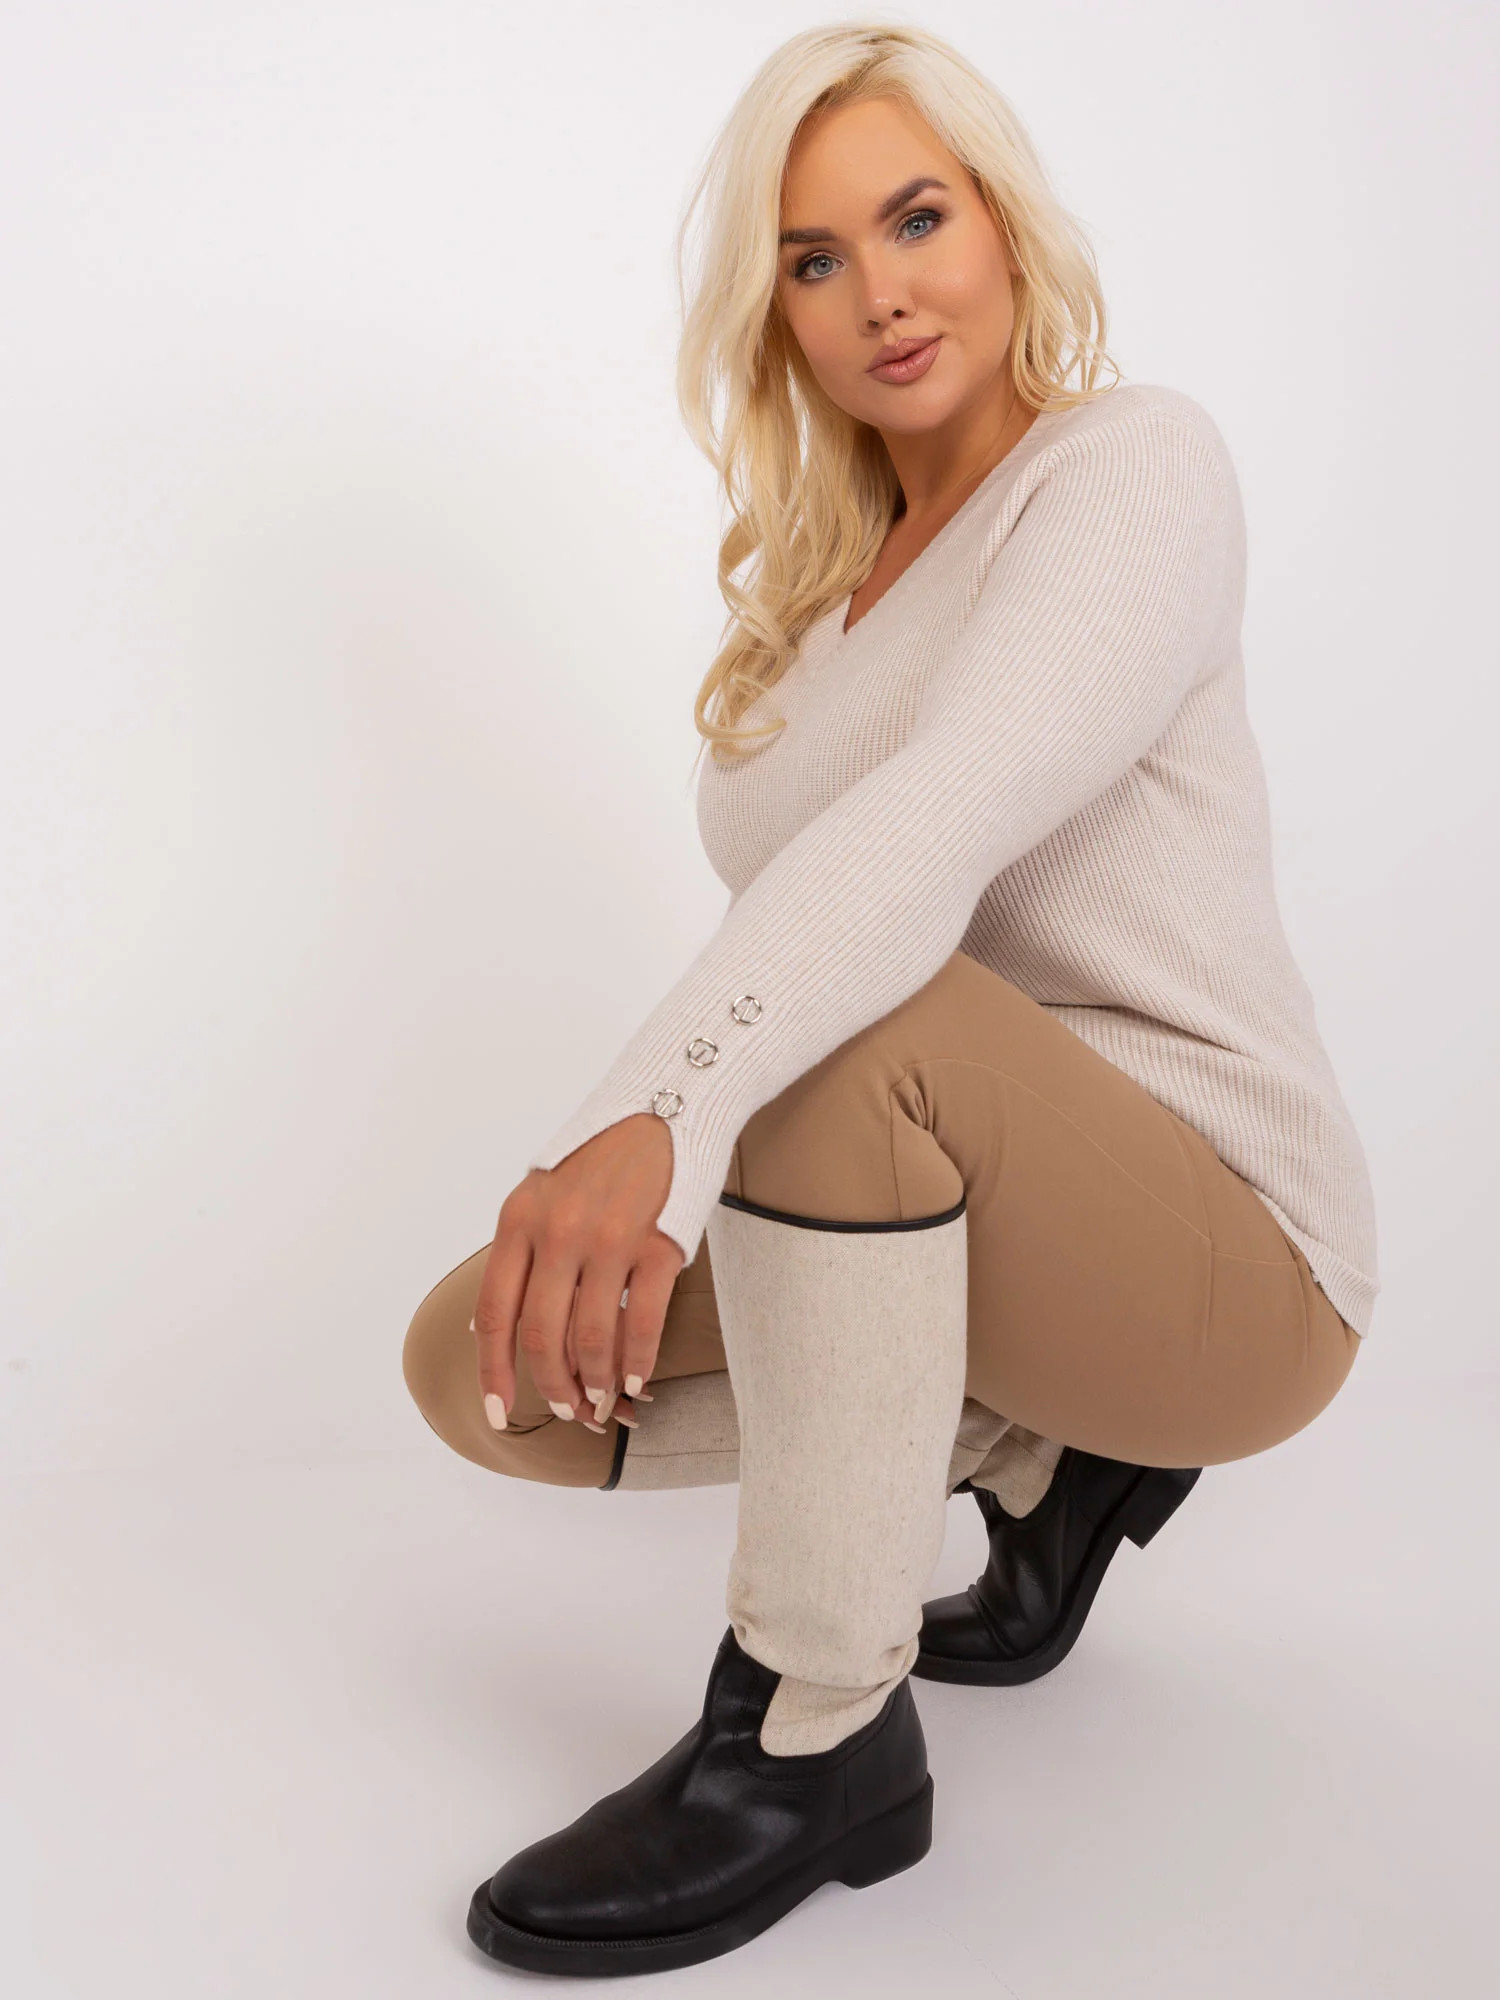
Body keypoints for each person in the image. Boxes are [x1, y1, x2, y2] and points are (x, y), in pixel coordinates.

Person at [401, 20, 1378, 1979]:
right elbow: (818, 912)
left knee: (864, 1041)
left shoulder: (1131, 468)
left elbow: (933, 833)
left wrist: (652, 1121)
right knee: (490, 1368)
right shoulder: (808, 615)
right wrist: (644, 1146)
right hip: (964, 1221)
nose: (881, 292)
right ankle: (1045, 1458)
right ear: (777, 317)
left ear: (1005, 221)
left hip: (1235, 1253)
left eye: (915, 219)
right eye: (815, 260)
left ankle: (816, 1733)